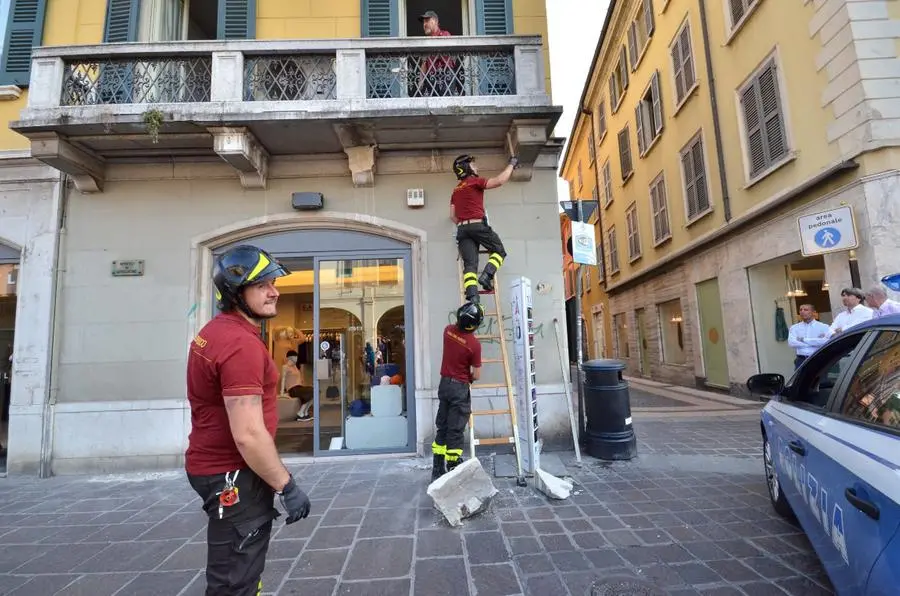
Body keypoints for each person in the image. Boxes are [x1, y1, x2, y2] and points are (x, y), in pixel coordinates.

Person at [185, 244, 312, 596]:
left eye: (272, 283)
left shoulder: (218, 330)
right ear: (235, 292)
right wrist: (287, 486)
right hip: (233, 475)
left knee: (238, 571)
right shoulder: (239, 344)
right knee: (234, 581)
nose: (274, 292)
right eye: (262, 285)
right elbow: (249, 434)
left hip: (220, 467)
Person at [451, 153, 518, 303]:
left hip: (462, 230)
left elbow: (452, 216)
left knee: (470, 265)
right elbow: (500, 181)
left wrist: (464, 225)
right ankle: (487, 275)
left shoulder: (456, 191)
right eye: (473, 165)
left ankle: (473, 296)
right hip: (477, 225)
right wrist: (511, 164)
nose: (477, 167)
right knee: (499, 251)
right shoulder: (475, 182)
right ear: (466, 168)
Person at [431, 301, 484, 481]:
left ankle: (437, 469)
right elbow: (476, 375)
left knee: (442, 428)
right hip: (459, 388)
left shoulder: (447, 331)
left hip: (444, 385)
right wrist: (467, 377)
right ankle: (453, 467)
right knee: (455, 430)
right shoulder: (474, 345)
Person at [416, 10, 459, 97]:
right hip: (431, 78)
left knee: (446, 105)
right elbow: (424, 63)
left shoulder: (445, 34)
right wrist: (420, 83)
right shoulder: (426, 42)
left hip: (446, 75)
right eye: (423, 22)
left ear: (435, 21)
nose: (424, 24)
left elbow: (453, 57)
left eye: (427, 21)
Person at [787, 304, 830, 370]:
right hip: (800, 360)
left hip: (818, 359)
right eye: (800, 310)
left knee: (820, 380)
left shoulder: (823, 327)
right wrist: (815, 342)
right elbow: (791, 343)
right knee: (800, 380)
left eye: (806, 310)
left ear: (814, 312)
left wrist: (803, 340)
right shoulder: (794, 327)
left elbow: (825, 342)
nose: (802, 312)